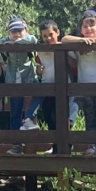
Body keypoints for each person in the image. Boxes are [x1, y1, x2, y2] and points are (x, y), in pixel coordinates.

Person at [63, 15, 96, 157]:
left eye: (92, 25)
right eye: (85, 26)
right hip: (85, 86)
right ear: (81, 29)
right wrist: (81, 41)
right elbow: (64, 39)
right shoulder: (78, 45)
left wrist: (91, 42)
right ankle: (92, 145)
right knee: (90, 116)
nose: (88, 29)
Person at [0, 17, 39, 155]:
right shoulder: (6, 41)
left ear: (26, 30)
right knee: (15, 113)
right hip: (13, 81)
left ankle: (31, 146)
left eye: (20, 31)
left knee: (34, 105)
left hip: (29, 79)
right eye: (13, 31)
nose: (17, 34)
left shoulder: (28, 39)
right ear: (9, 32)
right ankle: (16, 145)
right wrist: (8, 42)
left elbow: (33, 40)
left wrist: (15, 43)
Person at [31, 19, 66, 154]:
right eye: (45, 36)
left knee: (60, 117)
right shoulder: (41, 51)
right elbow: (38, 66)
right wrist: (38, 70)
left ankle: (63, 146)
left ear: (58, 33)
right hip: (47, 87)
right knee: (48, 116)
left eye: (51, 34)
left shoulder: (64, 47)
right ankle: (55, 145)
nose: (48, 38)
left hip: (62, 88)